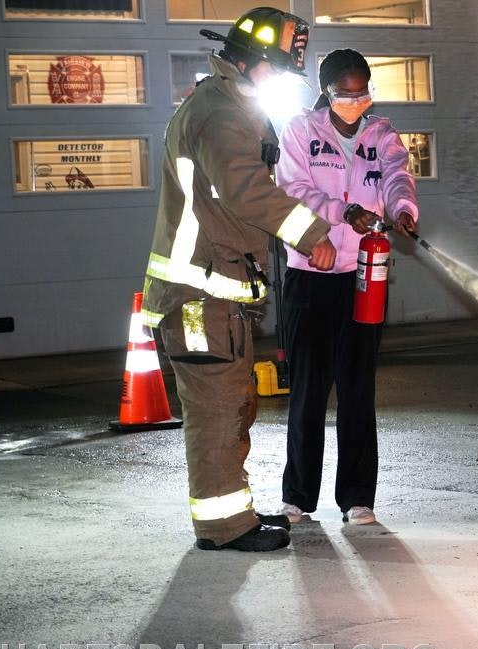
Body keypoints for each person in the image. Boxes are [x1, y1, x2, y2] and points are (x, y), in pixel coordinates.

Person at [141, 7, 338, 552]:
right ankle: (225, 527)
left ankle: (236, 516)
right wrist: (313, 233)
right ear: (253, 63)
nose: (277, 83)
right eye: (276, 71)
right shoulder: (221, 114)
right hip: (198, 296)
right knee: (216, 412)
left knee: (232, 406)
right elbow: (246, 189)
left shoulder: (222, 104)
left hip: (213, 294)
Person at [275, 49, 419, 526]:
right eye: (345, 94)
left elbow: (398, 177)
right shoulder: (301, 132)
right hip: (309, 277)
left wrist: (402, 210)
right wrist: (343, 212)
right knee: (309, 390)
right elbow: (293, 191)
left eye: (363, 93)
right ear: (326, 92)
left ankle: (358, 499)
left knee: (358, 389)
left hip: (363, 277)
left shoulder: (382, 135)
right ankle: (297, 497)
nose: (356, 102)